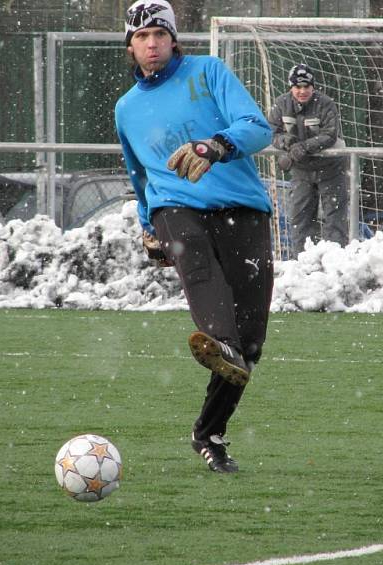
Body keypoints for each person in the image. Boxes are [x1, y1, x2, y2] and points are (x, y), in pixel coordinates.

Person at [115, 0, 274, 474]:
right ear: (130, 46)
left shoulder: (209, 72)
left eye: (159, 35)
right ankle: (220, 340)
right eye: (141, 37)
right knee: (204, 280)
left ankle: (209, 432)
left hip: (242, 207)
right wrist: (147, 224)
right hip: (174, 208)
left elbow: (258, 128)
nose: (151, 44)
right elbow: (139, 175)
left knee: (247, 348)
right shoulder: (127, 108)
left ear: (173, 39)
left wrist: (213, 145)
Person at [268, 64, 349, 259]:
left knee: (334, 219)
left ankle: (335, 263)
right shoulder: (280, 104)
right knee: (300, 218)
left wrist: (304, 147)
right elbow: (271, 131)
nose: (302, 91)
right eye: (298, 87)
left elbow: (330, 134)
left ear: (313, 87)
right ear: (290, 87)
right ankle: (302, 263)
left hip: (330, 169)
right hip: (301, 171)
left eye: (307, 87)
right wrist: (287, 142)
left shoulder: (326, 103)